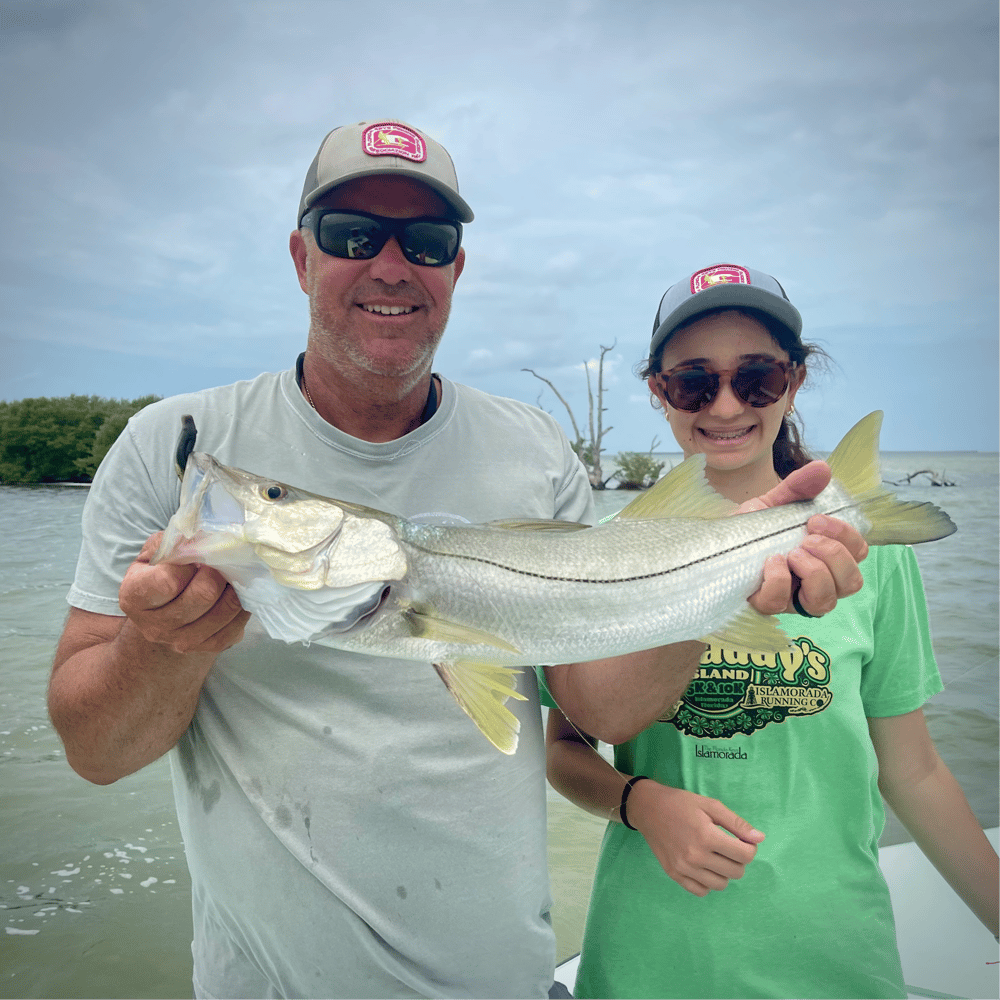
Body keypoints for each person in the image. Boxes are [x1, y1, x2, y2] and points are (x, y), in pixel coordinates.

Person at [47, 124, 867, 1000]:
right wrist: (169, 641)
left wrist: (719, 589)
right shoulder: (176, 447)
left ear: (456, 270)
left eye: (427, 242)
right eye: (352, 235)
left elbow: (599, 706)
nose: (391, 265)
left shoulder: (534, 446)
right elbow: (96, 753)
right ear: (300, 257)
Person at [545, 263, 1000, 999]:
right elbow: (564, 749)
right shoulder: (605, 553)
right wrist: (641, 803)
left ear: (794, 381)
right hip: (644, 964)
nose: (725, 404)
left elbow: (912, 770)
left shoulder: (863, 553)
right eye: (694, 382)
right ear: (658, 391)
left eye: (755, 379)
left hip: (838, 962)